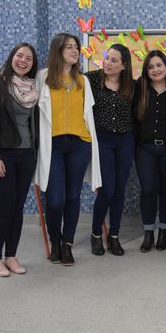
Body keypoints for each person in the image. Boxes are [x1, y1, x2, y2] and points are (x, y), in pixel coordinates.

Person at [35, 33, 101, 267]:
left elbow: (87, 115)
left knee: (73, 196)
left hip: (79, 144)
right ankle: (55, 240)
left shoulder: (83, 81)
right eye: (69, 47)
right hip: (52, 145)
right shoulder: (43, 77)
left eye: (76, 47)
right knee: (55, 199)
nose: (75, 51)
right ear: (58, 50)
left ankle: (67, 245)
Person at [0, 43, 39, 277]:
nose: (23, 60)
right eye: (19, 55)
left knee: (17, 208)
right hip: (2, 156)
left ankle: (11, 256)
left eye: (29, 58)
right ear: (12, 57)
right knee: (5, 207)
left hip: (26, 155)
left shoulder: (33, 88)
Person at [132, 51, 166, 252]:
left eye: (159, 65)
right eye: (151, 67)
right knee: (148, 189)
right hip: (145, 148)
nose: (155, 70)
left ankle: (163, 231)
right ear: (146, 70)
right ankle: (148, 233)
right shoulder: (139, 87)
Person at [86, 44, 134, 257]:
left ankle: (114, 236)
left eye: (114, 60)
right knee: (107, 190)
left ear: (124, 65)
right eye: (107, 58)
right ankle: (96, 234)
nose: (107, 63)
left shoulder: (131, 85)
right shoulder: (91, 80)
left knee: (120, 190)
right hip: (103, 140)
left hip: (125, 140)